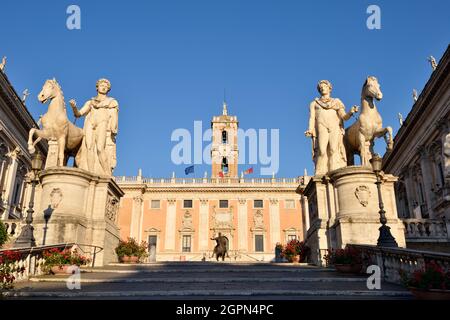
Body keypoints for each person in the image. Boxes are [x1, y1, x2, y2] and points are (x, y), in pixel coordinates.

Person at [305, 80, 358, 175]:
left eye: (324, 86)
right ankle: (320, 173)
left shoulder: (336, 102)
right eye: (320, 87)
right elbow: (312, 118)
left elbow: (344, 117)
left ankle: (334, 173)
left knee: (334, 149)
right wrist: (310, 129)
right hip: (322, 127)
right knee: (322, 150)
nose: (322, 88)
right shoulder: (314, 103)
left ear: (329, 88)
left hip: (334, 127)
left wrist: (351, 112)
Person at [70, 79, 119, 175]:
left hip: (102, 123)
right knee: (89, 147)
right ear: (97, 87)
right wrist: (74, 107)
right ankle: (90, 173)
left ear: (108, 89)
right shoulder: (90, 102)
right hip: (90, 123)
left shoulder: (111, 102)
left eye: (106, 86)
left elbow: (114, 118)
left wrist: (113, 130)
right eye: (102, 85)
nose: (104, 87)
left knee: (100, 148)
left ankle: (107, 173)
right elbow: (79, 114)